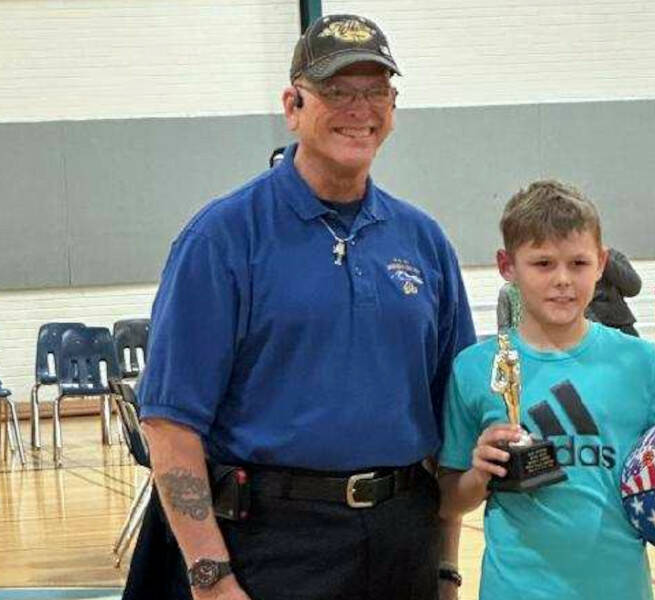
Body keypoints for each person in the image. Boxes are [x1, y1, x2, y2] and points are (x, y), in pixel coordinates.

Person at [129, 14, 475, 600]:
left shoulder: (424, 241)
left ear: (393, 107)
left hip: (402, 542)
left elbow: (452, 430)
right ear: (294, 105)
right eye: (337, 91)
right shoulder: (223, 237)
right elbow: (170, 424)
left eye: (375, 92)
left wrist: (444, 567)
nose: (358, 109)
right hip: (271, 547)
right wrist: (211, 579)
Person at [438, 180, 655, 600]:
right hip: (515, 589)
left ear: (602, 263)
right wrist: (480, 474)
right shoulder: (475, 368)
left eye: (579, 263)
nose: (563, 280)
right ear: (507, 265)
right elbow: (448, 502)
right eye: (543, 263)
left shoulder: (641, 364)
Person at [585, 246, 642, 336]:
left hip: (622, 325)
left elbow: (633, 288)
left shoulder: (612, 255)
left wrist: (606, 260)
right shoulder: (568, 260)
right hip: (589, 329)